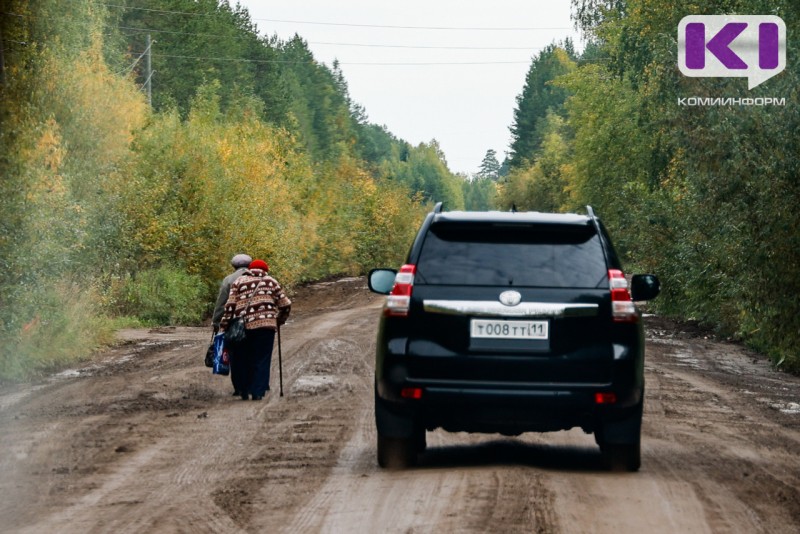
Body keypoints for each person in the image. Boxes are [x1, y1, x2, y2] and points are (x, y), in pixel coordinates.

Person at [220, 259, 291, 400]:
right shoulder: (271, 281)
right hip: (265, 328)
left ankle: (244, 390)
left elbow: (230, 306)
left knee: (243, 358)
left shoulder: (239, 281)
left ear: (249, 269)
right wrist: (279, 320)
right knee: (262, 359)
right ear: (265, 270)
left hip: (243, 327)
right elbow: (285, 304)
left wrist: (224, 325)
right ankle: (258, 391)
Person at [212, 253, 252, 396]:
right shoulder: (257, 278)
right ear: (249, 265)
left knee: (235, 355)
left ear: (234, 265)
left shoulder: (228, 280)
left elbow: (221, 303)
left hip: (233, 323)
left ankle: (238, 387)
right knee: (252, 354)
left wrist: (217, 322)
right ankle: (252, 384)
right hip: (254, 322)